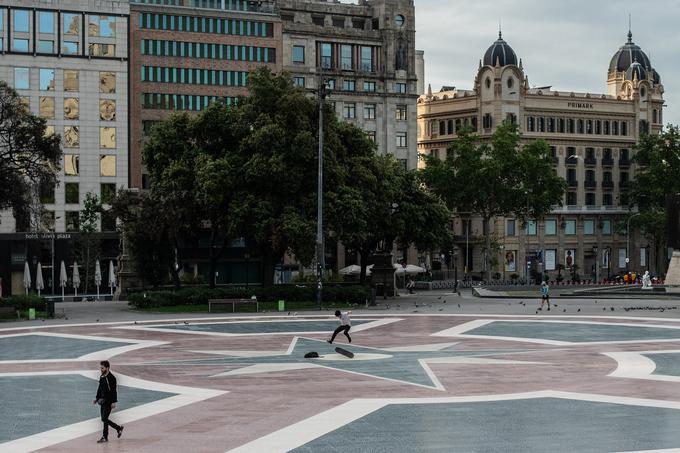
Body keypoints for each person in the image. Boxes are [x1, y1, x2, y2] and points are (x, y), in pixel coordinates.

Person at [93, 360, 124, 443]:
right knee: (104, 419)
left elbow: (114, 391)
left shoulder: (111, 378)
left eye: (102, 368)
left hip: (109, 401)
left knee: (104, 418)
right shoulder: (102, 377)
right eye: (100, 368)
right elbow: (100, 388)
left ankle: (112, 431)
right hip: (102, 401)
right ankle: (113, 432)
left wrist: (114, 402)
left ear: (107, 368)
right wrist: (97, 398)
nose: (101, 369)